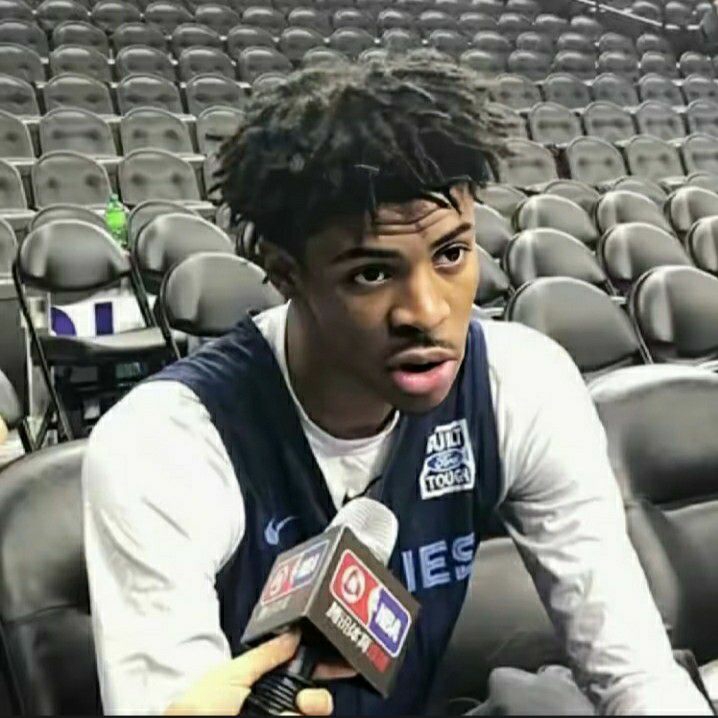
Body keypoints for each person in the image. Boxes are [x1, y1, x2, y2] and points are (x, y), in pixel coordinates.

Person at [82, 52, 712, 716]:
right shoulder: (166, 445)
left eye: (451, 254)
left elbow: (633, 669)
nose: (428, 312)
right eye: (372, 274)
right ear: (286, 273)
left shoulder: (521, 384)